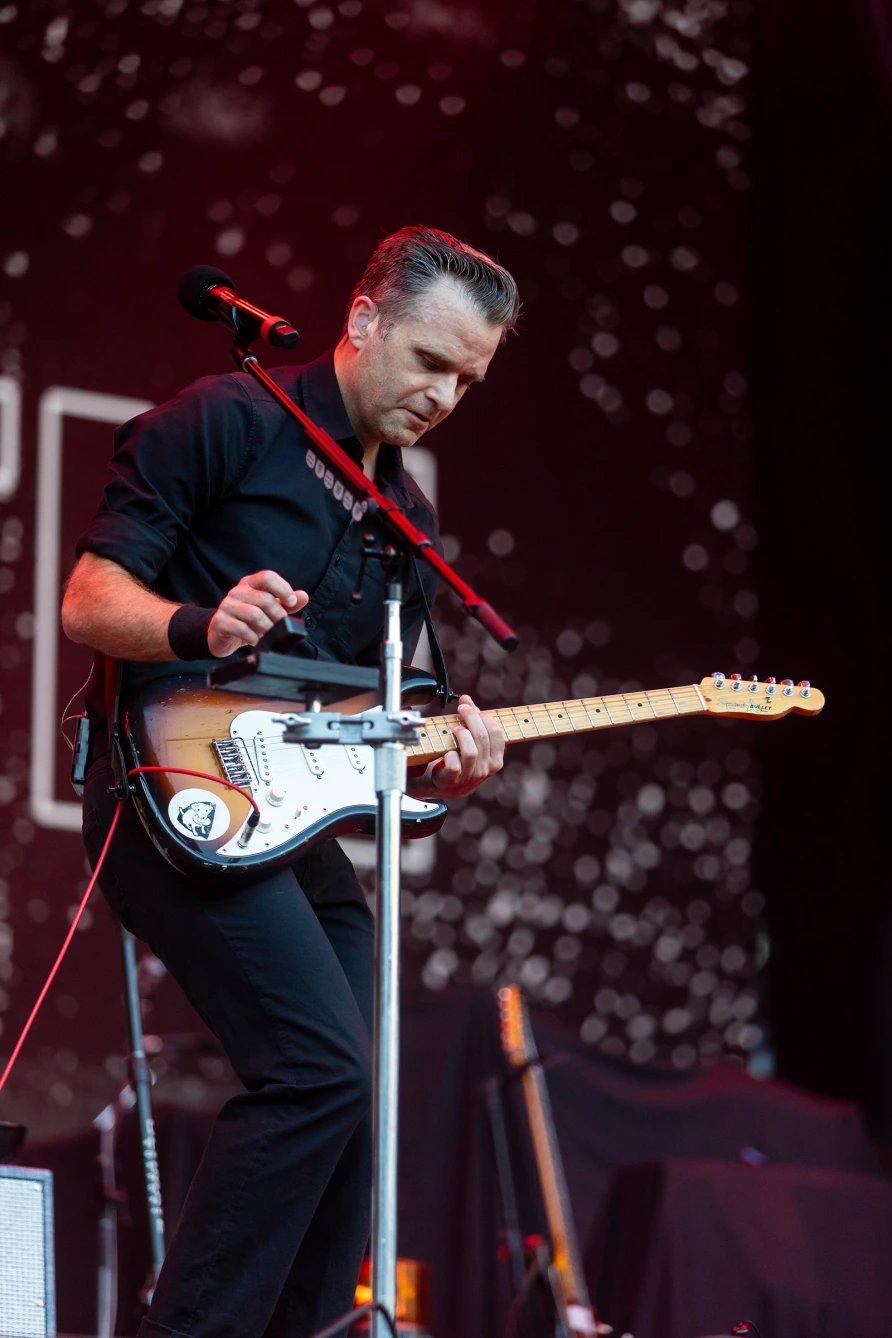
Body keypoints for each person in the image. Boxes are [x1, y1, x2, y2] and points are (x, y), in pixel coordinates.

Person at [61, 225, 520, 1338]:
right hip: (166, 793)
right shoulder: (225, 419)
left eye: (470, 379)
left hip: (292, 820)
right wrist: (195, 622)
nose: (445, 395)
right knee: (317, 1069)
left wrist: (449, 769)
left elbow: (388, 729)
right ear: (363, 322)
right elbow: (87, 599)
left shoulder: (408, 516)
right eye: (430, 361)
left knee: (364, 1096)